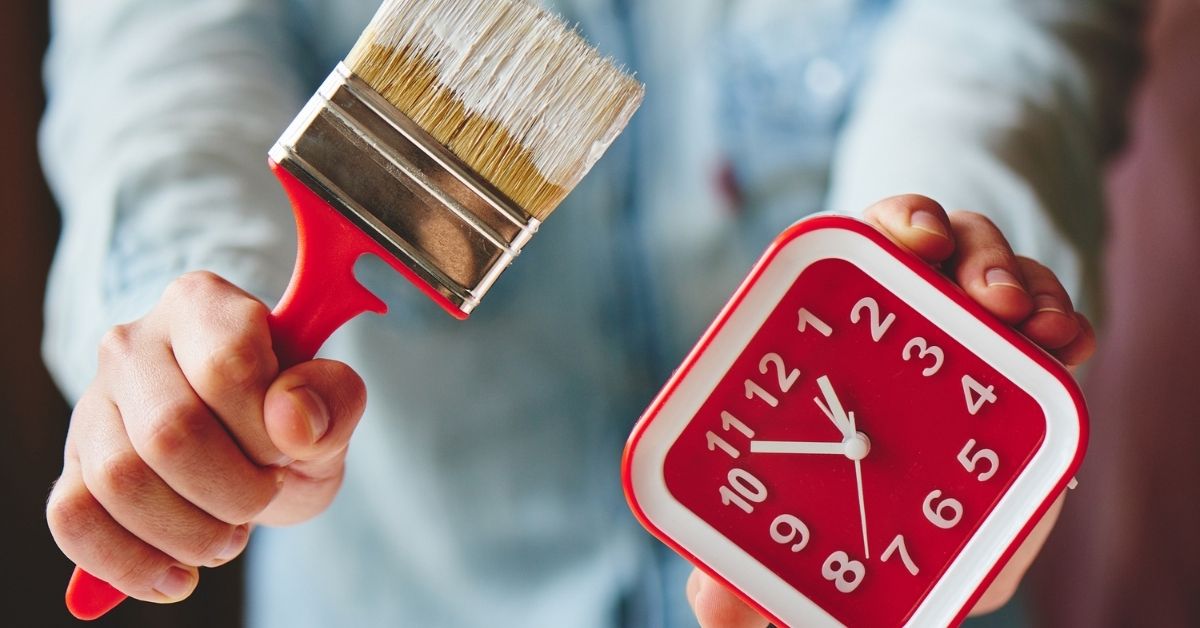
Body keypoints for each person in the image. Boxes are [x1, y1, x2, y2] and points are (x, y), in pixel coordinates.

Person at [40, 1, 1138, 626]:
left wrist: (933, 311)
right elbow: (164, 51)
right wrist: (187, 317)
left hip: (876, 571)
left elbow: (1001, 40)